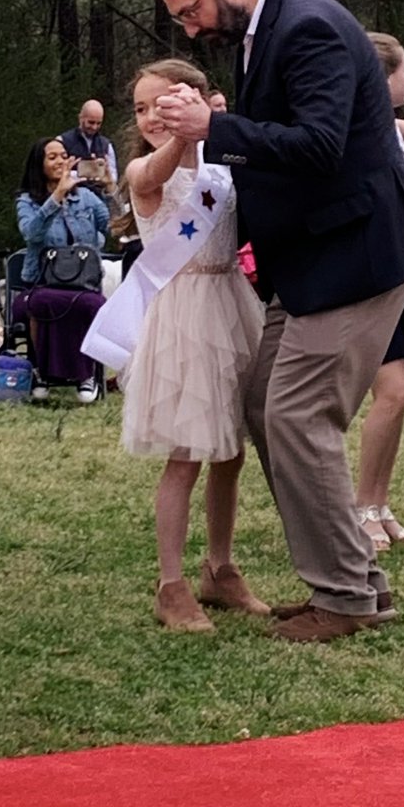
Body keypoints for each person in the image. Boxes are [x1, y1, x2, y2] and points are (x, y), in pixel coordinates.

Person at [154, 0, 404, 643]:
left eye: (188, 11)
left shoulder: (307, 27)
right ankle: (356, 581)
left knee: (295, 414)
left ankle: (344, 597)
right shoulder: (269, 28)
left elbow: (319, 146)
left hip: (357, 250)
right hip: (315, 256)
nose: (187, 28)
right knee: (261, 401)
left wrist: (214, 126)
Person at [114, 58, 268, 631]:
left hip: (230, 301)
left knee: (230, 450)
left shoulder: (222, 165)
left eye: (165, 101)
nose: (152, 114)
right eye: (141, 107)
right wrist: (184, 132)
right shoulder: (143, 169)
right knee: (186, 456)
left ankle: (220, 568)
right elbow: (156, 173)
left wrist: (225, 127)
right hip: (182, 316)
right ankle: (170, 583)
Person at [353, 31, 404, 552]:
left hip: (399, 272)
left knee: (400, 395)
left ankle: (380, 502)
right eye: (403, 71)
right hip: (372, 275)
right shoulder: (370, 130)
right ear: (383, 78)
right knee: (391, 392)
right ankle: (361, 508)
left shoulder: (393, 129)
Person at [12, 137, 108, 403]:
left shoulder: (86, 198)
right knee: (42, 302)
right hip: (40, 284)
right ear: (38, 164)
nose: (59, 162)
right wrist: (57, 196)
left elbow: (115, 226)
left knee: (91, 305)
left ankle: (85, 375)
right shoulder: (27, 201)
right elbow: (31, 234)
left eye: (63, 156)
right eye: (51, 157)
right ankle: (42, 372)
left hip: (83, 284)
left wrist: (111, 188)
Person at [59, 100, 118, 196]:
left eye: (98, 123)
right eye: (91, 122)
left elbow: (113, 178)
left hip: (99, 198)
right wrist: (85, 173)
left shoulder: (107, 145)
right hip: (71, 198)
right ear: (80, 118)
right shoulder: (62, 141)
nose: (94, 127)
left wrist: (103, 174)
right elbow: (56, 174)